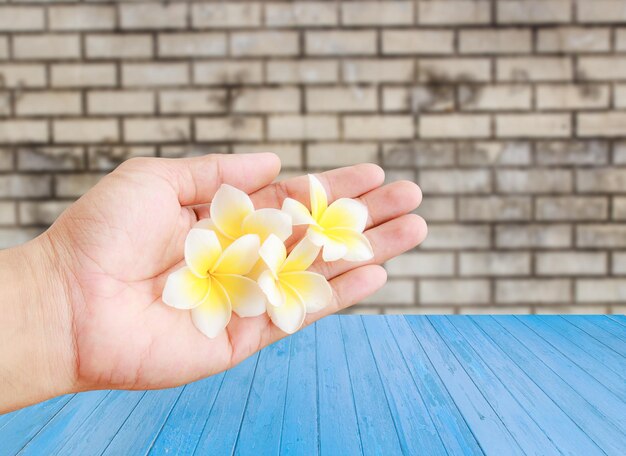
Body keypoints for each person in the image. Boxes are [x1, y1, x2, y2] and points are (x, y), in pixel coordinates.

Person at [0, 153, 426, 413]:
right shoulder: (228, 249)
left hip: (249, 271)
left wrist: (57, 301)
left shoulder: (277, 251)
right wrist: (58, 291)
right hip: (220, 272)